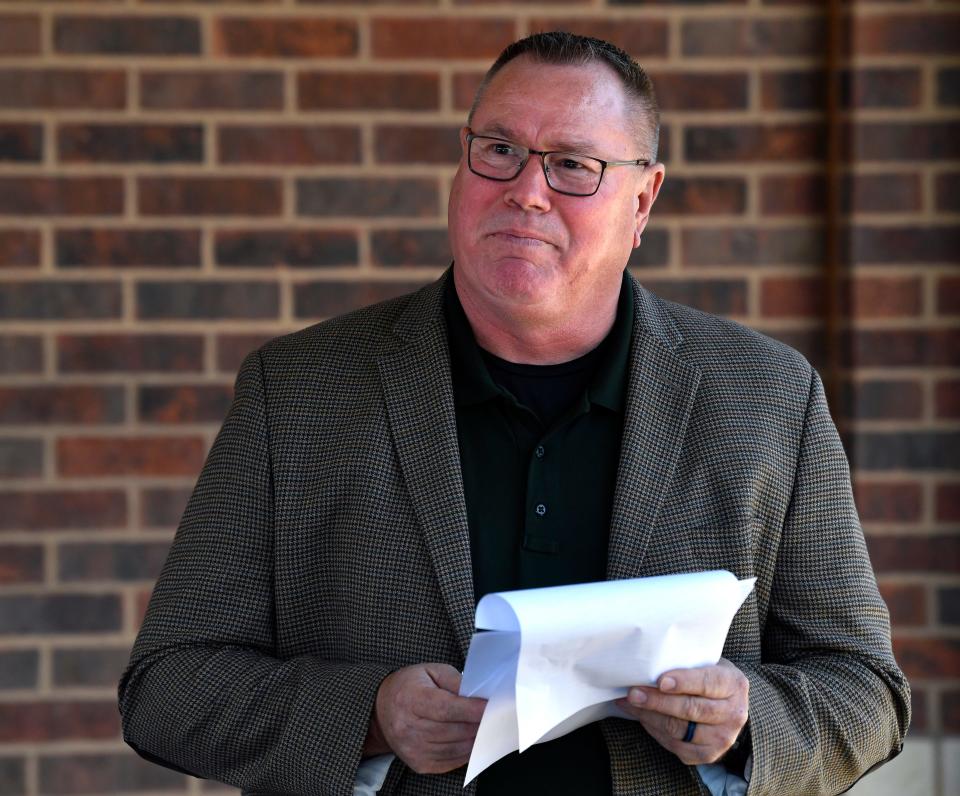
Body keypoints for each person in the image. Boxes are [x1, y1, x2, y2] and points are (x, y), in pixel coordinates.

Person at [118, 31, 910, 796]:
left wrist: (744, 719)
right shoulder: (297, 391)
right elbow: (168, 686)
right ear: (461, 164)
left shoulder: (768, 396)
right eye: (499, 150)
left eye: (573, 165)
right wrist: (368, 716)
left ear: (644, 198)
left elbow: (866, 692)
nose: (526, 191)